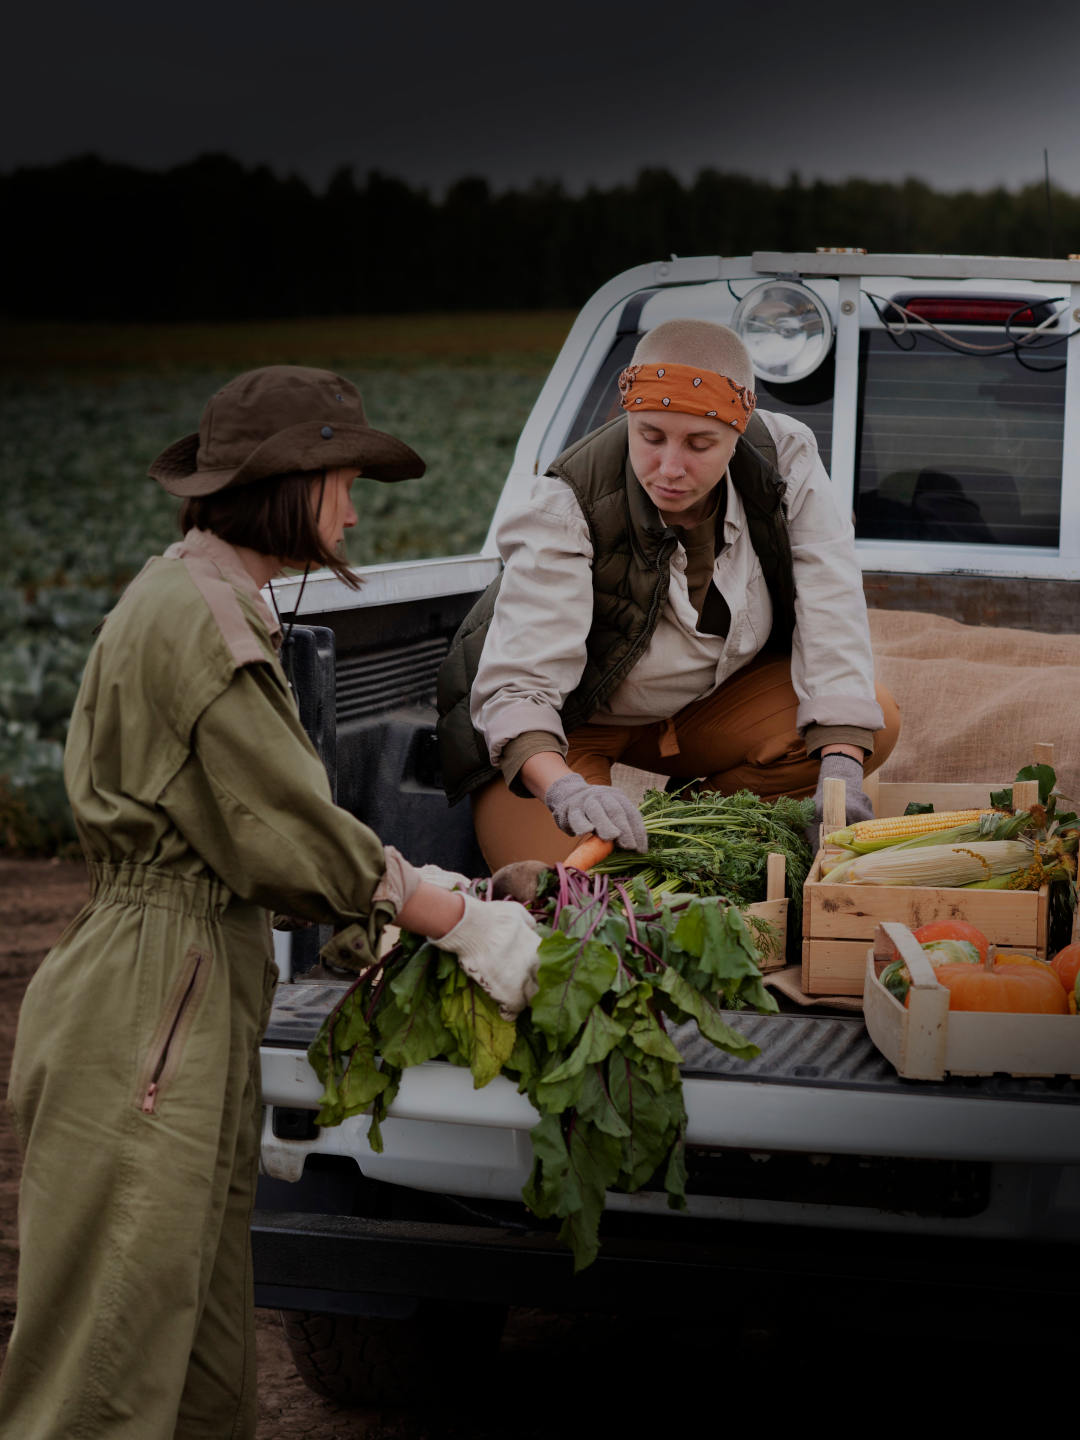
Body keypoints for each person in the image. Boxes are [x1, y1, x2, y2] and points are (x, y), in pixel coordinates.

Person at [0, 366, 541, 1440]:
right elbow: (285, 828)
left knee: (195, 1345)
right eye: (343, 482)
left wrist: (393, 910)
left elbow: (242, 829)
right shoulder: (207, 622)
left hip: (181, 974)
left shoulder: (195, 590)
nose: (352, 508)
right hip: (153, 998)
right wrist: (452, 918)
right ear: (287, 486)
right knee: (107, 1360)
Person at [438, 319, 900, 867]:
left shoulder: (785, 462)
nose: (670, 468)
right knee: (574, 895)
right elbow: (517, 693)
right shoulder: (566, 507)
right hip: (566, 726)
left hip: (696, 708)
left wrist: (840, 770)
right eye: (650, 437)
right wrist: (567, 792)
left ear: (739, 428)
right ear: (627, 417)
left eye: (700, 443)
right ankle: (616, 831)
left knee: (872, 719)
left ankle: (685, 837)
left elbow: (831, 607)